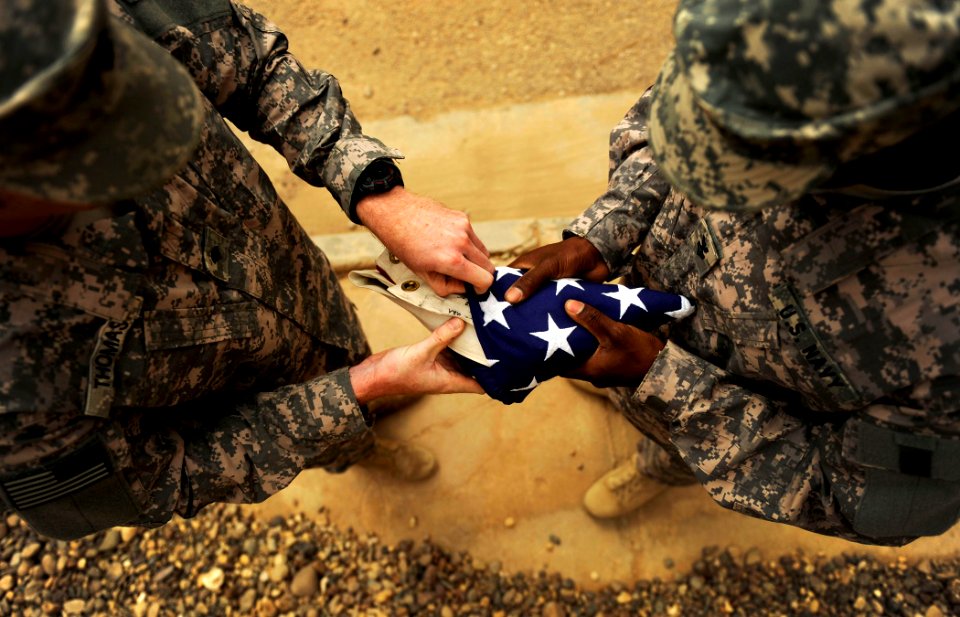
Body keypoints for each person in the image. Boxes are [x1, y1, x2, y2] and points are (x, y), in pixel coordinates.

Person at [0, 0, 494, 541]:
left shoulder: (45, 21)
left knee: (349, 342)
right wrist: (356, 391)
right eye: (100, 156)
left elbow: (251, 59)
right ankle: (361, 451)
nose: (152, 157)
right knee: (341, 439)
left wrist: (377, 194)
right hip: (255, 407)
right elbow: (163, 481)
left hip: (303, 288)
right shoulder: (14, 394)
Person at [506, 0, 960, 544]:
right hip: (633, 314)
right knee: (612, 382)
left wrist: (666, 387)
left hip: (708, 419)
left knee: (670, 453)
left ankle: (658, 468)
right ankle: (618, 396)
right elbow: (674, 120)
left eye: (748, 166)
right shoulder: (774, 36)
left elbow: (853, 497)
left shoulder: (945, 335)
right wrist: (605, 233)